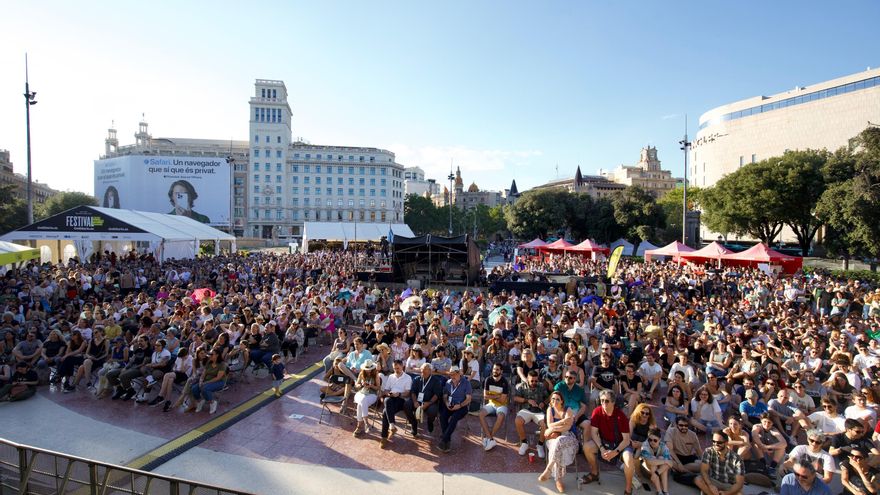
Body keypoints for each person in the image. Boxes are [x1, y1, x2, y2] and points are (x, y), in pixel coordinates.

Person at [582, 390, 635, 493]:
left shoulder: (620, 416)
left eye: (607, 401)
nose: (603, 403)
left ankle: (628, 488)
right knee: (587, 447)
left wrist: (615, 452)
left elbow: (626, 440)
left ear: (613, 402)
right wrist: (602, 449)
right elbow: (594, 433)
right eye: (601, 401)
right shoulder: (597, 412)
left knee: (628, 460)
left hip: (621, 445)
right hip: (604, 442)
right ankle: (594, 473)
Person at [538, 390, 580, 494]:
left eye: (557, 399)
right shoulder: (550, 410)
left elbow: (568, 427)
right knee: (557, 444)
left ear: (562, 401)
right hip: (553, 439)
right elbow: (550, 424)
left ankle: (550, 469)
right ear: (550, 401)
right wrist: (562, 422)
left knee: (559, 441)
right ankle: (558, 480)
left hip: (570, 438)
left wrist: (553, 429)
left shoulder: (568, 410)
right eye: (553, 399)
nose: (555, 401)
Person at [516, 369, 549, 458]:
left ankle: (540, 444)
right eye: (532, 381)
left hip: (538, 411)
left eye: (536, 380)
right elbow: (515, 398)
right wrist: (527, 400)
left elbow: (549, 397)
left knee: (545, 424)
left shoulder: (541, 386)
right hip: (526, 410)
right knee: (518, 421)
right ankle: (524, 443)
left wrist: (544, 403)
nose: (534, 382)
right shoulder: (522, 386)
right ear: (527, 378)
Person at [438, 365, 472, 453]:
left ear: (459, 374)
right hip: (450, 405)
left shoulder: (466, 383)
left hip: (462, 406)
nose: (452, 376)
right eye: (450, 374)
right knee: (442, 416)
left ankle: (444, 439)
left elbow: (468, 399)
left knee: (454, 418)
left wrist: (460, 405)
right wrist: (446, 403)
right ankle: (447, 440)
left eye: (454, 374)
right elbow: (445, 396)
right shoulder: (448, 382)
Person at [404, 363, 442, 436]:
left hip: (430, 402)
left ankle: (430, 422)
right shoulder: (417, 379)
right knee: (406, 405)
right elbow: (413, 392)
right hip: (417, 401)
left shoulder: (436, 381)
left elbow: (437, 395)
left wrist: (428, 403)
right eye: (421, 370)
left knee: (432, 411)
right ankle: (413, 423)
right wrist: (415, 401)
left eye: (425, 370)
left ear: (430, 371)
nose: (423, 371)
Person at [380, 359, 412, 448]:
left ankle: (384, 436)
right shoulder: (391, 377)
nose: (396, 370)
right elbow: (386, 390)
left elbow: (408, 393)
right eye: (394, 369)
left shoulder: (407, 378)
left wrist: (399, 394)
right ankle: (391, 427)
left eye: (398, 368)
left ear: (402, 367)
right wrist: (389, 393)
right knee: (387, 401)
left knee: (385, 411)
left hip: (401, 399)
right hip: (391, 398)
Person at [479, 362, 509, 451]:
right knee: (480, 414)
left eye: (497, 369)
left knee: (500, 416)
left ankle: (489, 437)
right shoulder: (488, 380)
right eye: (494, 369)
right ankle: (491, 438)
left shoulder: (504, 382)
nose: (495, 371)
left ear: (501, 371)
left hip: (502, 406)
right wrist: (497, 396)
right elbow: (485, 396)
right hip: (491, 404)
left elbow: (503, 400)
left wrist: (492, 396)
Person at [188, 349, 227, 414]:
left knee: (205, 388)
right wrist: (201, 381)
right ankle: (200, 401)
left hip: (219, 382)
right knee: (194, 388)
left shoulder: (222, 364)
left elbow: (218, 378)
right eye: (209, 354)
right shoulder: (209, 363)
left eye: (212, 354)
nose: (210, 356)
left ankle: (212, 402)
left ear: (217, 355)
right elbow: (203, 374)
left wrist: (205, 382)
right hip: (207, 380)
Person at [352, 359, 381, 437]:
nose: (368, 371)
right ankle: (366, 423)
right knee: (362, 400)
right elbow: (356, 385)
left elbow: (378, 388)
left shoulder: (376, 374)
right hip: (361, 393)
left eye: (370, 370)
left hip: (372, 394)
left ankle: (359, 426)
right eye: (367, 369)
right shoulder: (361, 374)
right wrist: (361, 385)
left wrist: (371, 386)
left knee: (360, 403)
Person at [641, 427, 674, 495]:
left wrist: (656, 473)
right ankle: (659, 491)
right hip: (646, 471)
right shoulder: (645, 445)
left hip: (658, 472)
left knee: (662, 458)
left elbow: (671, 463)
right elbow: (650, 462)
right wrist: (666, 461)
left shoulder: (663, 446)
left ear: (659, 440)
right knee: (655, 461)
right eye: (650, 440)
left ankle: (665, 491)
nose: (652, 442)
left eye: (655, 440)